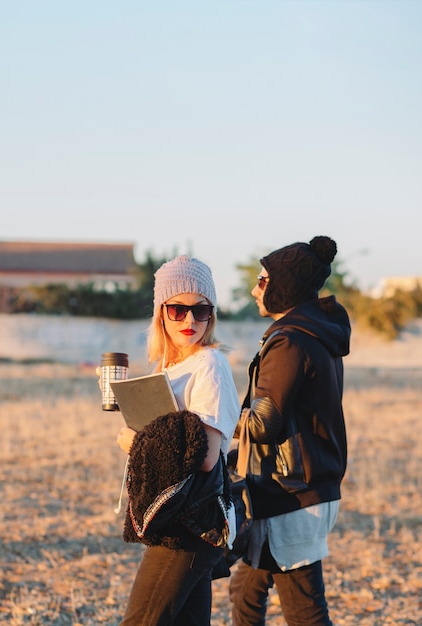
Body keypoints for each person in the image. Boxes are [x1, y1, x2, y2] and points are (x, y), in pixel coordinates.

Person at [228, 236, 351, 626]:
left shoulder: (290, 341)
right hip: (296, 488)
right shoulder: (316, 334)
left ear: (285, 286)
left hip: (291, 494)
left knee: (305, 612)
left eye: (262, 280)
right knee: (245, 590)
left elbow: (263, 423)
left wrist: (212, 416)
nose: (254, 289)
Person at [113, 255, 240, 626]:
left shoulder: (210, 365)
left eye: (200, 310)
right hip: (172, 514)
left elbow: (206, 456)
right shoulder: (168, 369)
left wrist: (137, 444)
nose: (189, 320)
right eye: (178, 309)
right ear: (161, 312)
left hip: (192, 522)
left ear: (211, 315)